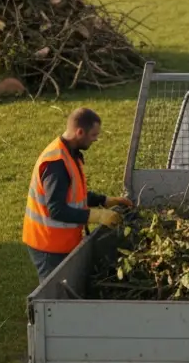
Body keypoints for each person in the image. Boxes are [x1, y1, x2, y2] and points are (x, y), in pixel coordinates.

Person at [22, 107, 133, 284]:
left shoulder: (69, 154)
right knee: (53, 298)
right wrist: (96, 215)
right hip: (48, 245)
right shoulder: (56, 164)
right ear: (80, 132)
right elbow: (56, 210)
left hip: (60, 241)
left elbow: (74, 193)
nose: (96, 139)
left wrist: (104, 201)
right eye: (93, 135)